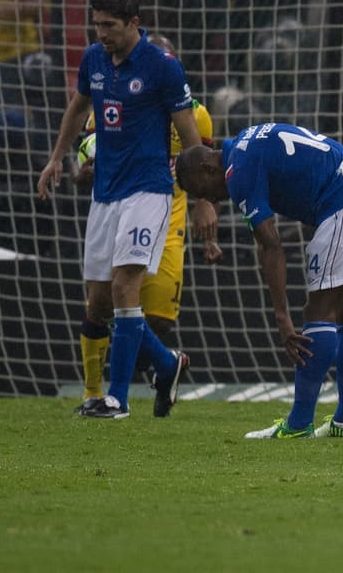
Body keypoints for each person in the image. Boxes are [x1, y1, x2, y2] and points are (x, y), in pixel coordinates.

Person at [38, 0, 217, 420]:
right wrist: (57, 157)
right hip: (106, 194)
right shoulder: (95, 59)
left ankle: (116, 400)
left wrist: (203, 199)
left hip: (150, 191)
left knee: (124, 288)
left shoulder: (162, 68)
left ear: (134, 24)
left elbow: (191, 136)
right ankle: (160, 365)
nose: (101, 33)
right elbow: (78, 107)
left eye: (109, 25)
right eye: (96, 24)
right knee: (98, 301)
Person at [175, 123, 343, 439]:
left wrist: (282, 319)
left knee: (319, 312)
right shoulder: (241, 142)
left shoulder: (239, 173)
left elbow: (271, 246)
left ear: (208, 168)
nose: (211, 199)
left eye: (204, 192)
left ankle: (299, 424)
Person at [73, 33, 221, 417]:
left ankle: (133, 385)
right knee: (105, 302)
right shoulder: (113, 96)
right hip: (117, 201)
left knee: (151, 314)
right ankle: (126, 382)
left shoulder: (197, 114)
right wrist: (81, 166)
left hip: (167, 214)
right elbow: (87, 146)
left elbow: (204, 167)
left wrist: (203, 208)